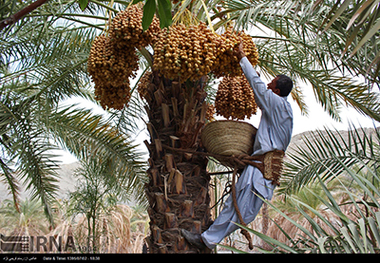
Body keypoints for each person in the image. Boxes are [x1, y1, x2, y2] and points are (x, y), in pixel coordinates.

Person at [182, 40, 294, 250]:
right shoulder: (282, 110)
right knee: (236, 206)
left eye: (272, 84)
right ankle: (208, 238)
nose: (268, 85)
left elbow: (256, 85)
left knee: (243, 209)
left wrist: (242, 57)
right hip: (258, 168)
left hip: (262, 171)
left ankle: (207, 240)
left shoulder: (277, 104)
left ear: (277, 91)